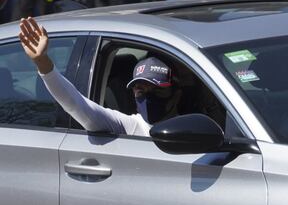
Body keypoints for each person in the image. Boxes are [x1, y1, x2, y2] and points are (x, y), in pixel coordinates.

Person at [18, 17, 182, 136]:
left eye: (155, 90)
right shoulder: (130, 126)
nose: (147, 97)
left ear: (176, 95)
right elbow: (76, 104)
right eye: (140, 90)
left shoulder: (196, 129)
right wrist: (42, 61)